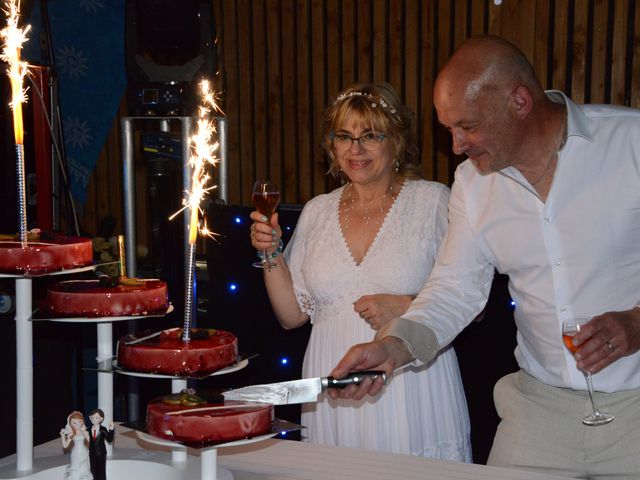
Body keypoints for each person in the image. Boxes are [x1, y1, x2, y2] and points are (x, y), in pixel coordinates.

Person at [328, 35, 640, 478]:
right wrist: (394, 347)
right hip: (540, 408)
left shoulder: (631, 144)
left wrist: (636, 322)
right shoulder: (473, 185)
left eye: (468, 126)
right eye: (448, 128)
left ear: (520, 102)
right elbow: (454, 289)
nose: (456, 145)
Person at [249, 82, 471, 460]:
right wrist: (271, 254)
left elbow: (471, 301)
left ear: (395, 141)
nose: (356, 149)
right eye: (345, 137)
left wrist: (406, 304)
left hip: (409, 385)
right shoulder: (317, 211)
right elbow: (291, 316)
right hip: (333, 389)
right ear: (332, 146)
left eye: (370, 135)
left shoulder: (433, 201)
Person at [60, 411, 93, 480]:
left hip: (84, 451)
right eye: (74, 422)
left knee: (85, 468)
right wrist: (63, 436)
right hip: (75, 453)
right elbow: (65, 446)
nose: (77, 424)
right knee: (75, 469)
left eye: (79, 421)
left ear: (82, 421)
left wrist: (87, 434)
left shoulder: (84, 432)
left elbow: (91, 442)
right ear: (70, 424)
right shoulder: (72, 434)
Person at [88, 408, 114, 480]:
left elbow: (110, 439)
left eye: (96, 418)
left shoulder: (103, 430)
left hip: (101, 454)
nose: (93, 419)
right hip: (92, 454)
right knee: (93, 471)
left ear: (101, 419)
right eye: (92, 417)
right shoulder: (89, 429)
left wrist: (111, 429)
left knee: (101, 471)